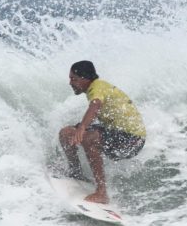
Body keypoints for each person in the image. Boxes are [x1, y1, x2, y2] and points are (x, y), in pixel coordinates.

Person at [59, 60, 146, 204]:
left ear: (85, 78)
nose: (70, 83)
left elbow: (95, 105)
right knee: (66, 133)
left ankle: (102, 193)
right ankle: (76, 173)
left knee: (89, 139)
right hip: (116, 132)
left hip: (133, 140)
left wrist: (82, 128)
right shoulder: (96, 88)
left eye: (73, 79)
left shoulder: (97, 87)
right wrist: (80, 128)